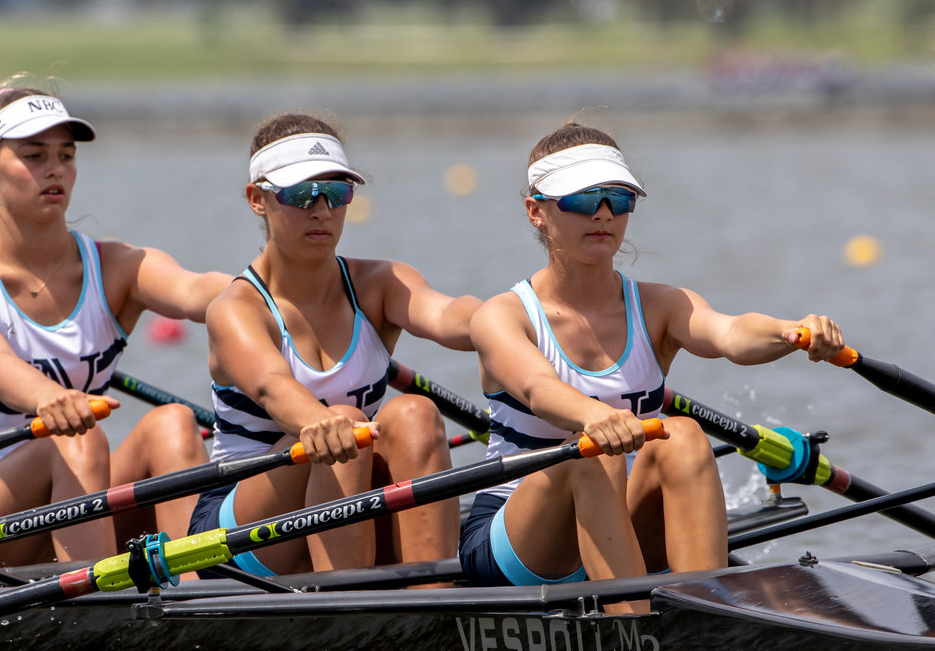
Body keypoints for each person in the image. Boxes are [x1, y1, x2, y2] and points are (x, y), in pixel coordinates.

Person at [459, 121, 844, 607]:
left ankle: (710, 622)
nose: (603, 215)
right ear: (537, 212)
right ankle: (632, 634)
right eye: (581, 200)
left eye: (619, 200)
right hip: (518, 542)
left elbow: (728, 334)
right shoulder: (502, 316)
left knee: (681, 434)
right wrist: (592, 414)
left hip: (618, 516)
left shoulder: (660, 306)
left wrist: (791, 332)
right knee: (593, 450)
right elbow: (538, 388)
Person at [0, 81, 231, 566]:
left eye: (66, 155)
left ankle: (194, 601)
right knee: (74, 436)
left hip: (76, 488)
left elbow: (197, 292)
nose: (55, 170)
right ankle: (95, 610)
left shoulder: (116, 267)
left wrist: (274, 292)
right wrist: (50, 400)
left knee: (172, 423)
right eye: (34, 155)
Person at [192, 113, 482, 576]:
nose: (322, 209)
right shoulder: (237, 309)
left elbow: (453, 317)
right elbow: (272, 388)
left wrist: (525, 321)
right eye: (301, 193)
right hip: (239, 534)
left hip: (345, 492)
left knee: (415, 413)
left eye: (337, 192)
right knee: (345, 422)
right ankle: (352, 610)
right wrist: (318, 421)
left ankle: (434, 606)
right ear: (257, 200)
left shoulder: (379, 284)